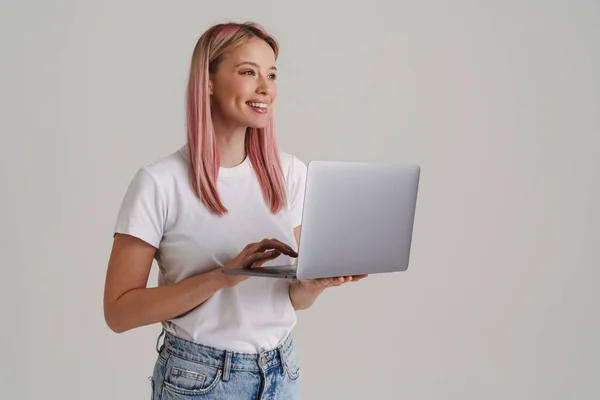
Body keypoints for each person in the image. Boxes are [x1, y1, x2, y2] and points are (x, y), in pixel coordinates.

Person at [103, 21, 367, 399]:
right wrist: (220, 278)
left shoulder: (288, 173)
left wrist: (312, 285)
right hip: (200, 380)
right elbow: (118, 311)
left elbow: (291, 299)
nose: (266, 88)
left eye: (272, 75)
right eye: (248, 72)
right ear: (207, 81)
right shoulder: (160, 183)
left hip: (281, 373)